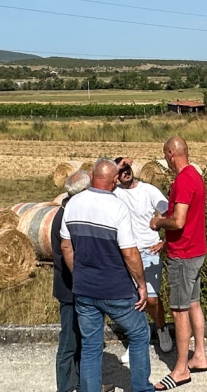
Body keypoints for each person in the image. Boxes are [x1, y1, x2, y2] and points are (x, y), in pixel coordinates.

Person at [60, 160, 151, 392]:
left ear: (91, 176)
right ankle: (141, 387)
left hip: (84, 288)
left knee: (90, 345)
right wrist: (141, 284)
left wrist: (78, 273)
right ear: (114, 181)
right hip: (116, 288)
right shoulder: (118, 207)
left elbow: (66, 247)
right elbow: (130, 253)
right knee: (139, 333)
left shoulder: (72, 204)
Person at [149, 137, 207, 390]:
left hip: (183, 254)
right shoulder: (195, 174)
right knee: (193, 302)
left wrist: (158, 223)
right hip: (195, 249)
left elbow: (179, 221)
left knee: (179, 309)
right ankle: (200, 356)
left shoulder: (183, 180)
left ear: (172, 153)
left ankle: (181, 368)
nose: (165, 159)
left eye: (165, 154)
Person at [113, 156, 174, 352]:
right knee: (132, 300)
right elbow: (93, 185)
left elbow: (170, 214)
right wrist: (115, 167)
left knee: (152, 299)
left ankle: (161, 328)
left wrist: (165, 242)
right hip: (127, 252)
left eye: (128, 168)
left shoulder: (148, 190)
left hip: (149, 250)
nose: (126, 172)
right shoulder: (114, 194)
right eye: (122, 171)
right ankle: (137, 339)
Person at [53, 169, 92, 392]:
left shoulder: (69, 209)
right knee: (69, 342)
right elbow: (66, 253)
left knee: (80, 340)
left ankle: (82, 384)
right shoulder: (66, 215)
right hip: (70, 288)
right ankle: (66, 388)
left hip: (74, 285)